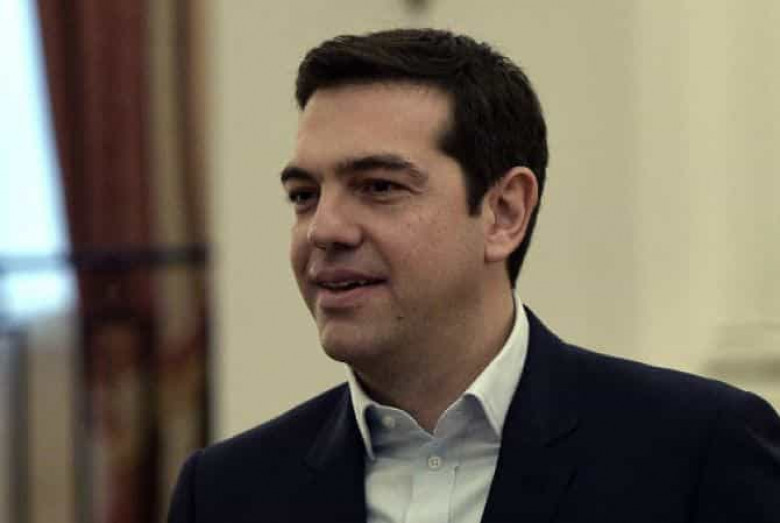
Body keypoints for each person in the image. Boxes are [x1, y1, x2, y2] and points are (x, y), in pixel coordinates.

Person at [168, 28, 780, 523]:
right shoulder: (226, 492)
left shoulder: (695, 451)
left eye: (378, 187)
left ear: (503, 212)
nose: (323, 230)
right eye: (304, 195)